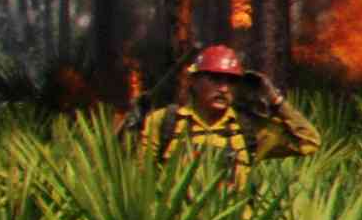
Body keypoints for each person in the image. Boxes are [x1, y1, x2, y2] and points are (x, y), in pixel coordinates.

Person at [135, 44, 318, 180]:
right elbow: (141, 180)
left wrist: (274, 99)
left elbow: (309, 141)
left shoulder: (249, 129)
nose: (223, 88)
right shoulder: (165, 122)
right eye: (214, 79)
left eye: (231, 81)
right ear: (194, 81)